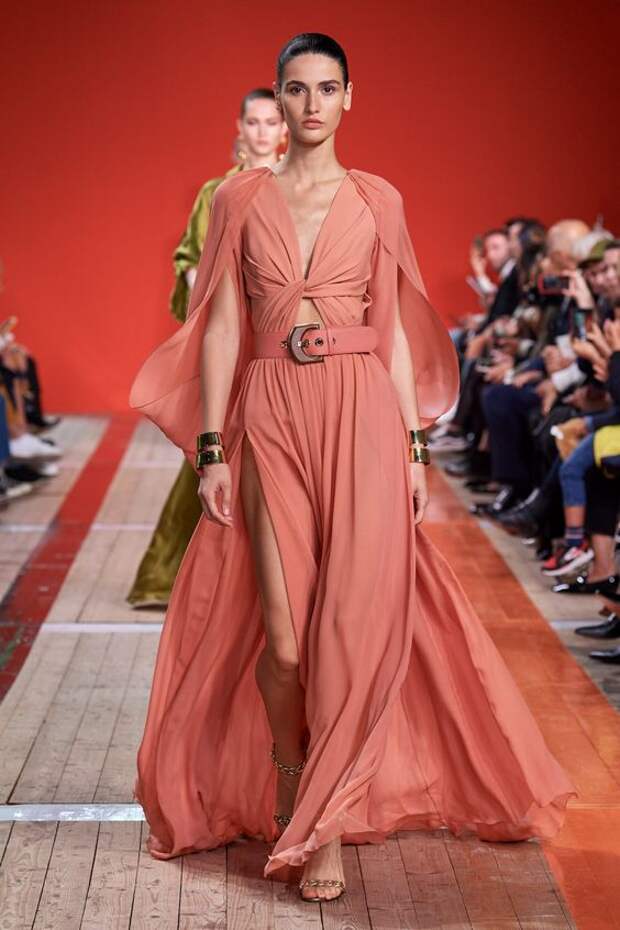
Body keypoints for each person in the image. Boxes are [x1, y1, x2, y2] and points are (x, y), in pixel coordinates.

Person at [130, 32, 575, 904]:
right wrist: (212, 448)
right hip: (271, 414)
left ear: (348, 97)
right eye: (296, 90)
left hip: (363, 413)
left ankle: (324, 824)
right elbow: (221, 324)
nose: (311, 105)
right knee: (287, 643)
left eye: (326, 89)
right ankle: (290, 771)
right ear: (278, 98)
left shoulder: (379, 200)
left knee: (347, 633)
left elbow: (397, 335)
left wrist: (413, 447)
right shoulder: (238, 198)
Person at [128, 89, 286, 608]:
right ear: (238, 127)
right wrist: (216, 313)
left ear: (283, 129)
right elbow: (194, 261)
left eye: (270, 121)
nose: (261, 131)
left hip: (278, 338)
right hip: (230, 337)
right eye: (253, 121)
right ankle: (171, 576)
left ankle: (257, 581)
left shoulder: (294, 188)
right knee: (213, 449)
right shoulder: (217, 192)